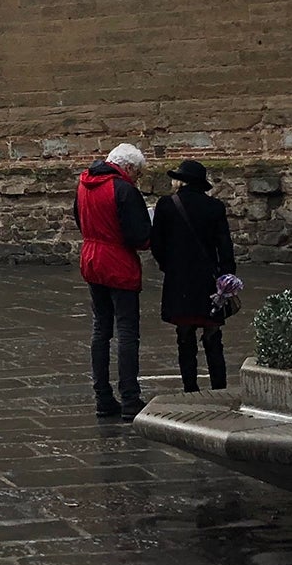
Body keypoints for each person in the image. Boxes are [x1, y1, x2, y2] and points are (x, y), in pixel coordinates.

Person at [74, 142, 152, 420]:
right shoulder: (123, 189)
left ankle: (103, 396)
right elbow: (139, 236)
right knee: (127, 330)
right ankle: (130, 397)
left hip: (91, 258)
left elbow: (80, 221)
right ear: (128, 167)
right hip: (117, 262)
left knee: (101, 328)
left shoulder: (84, 185)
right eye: (137, 173)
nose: (136, 179)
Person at [150, 159, 238, 392]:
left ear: (181, 181)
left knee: (184, 335)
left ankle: (190, 386)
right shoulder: (215, 207)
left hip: (179, 280)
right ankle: (219, 386)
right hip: (209, 280)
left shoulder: (166, 205)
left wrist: (168, 266)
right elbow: (224, 246)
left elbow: (157, 244)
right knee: (213, 334)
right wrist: (227, 277)